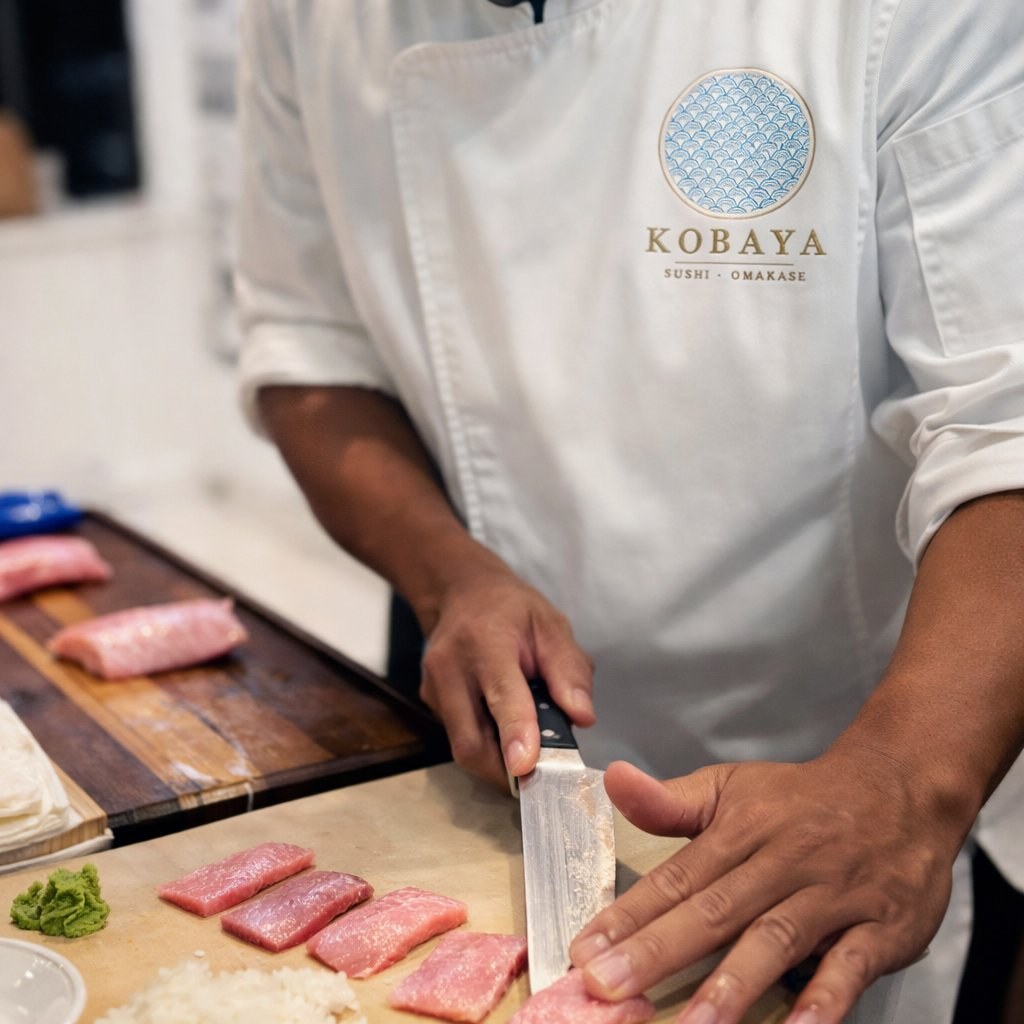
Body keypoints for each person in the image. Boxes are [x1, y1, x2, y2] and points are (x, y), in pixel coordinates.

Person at [232, 2, 1024, 1021]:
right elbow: (308, 355)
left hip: (867, 737)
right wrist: (448, 571)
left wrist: (905, 780)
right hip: (515, 765)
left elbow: (1004, 424)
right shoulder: (309, 17)